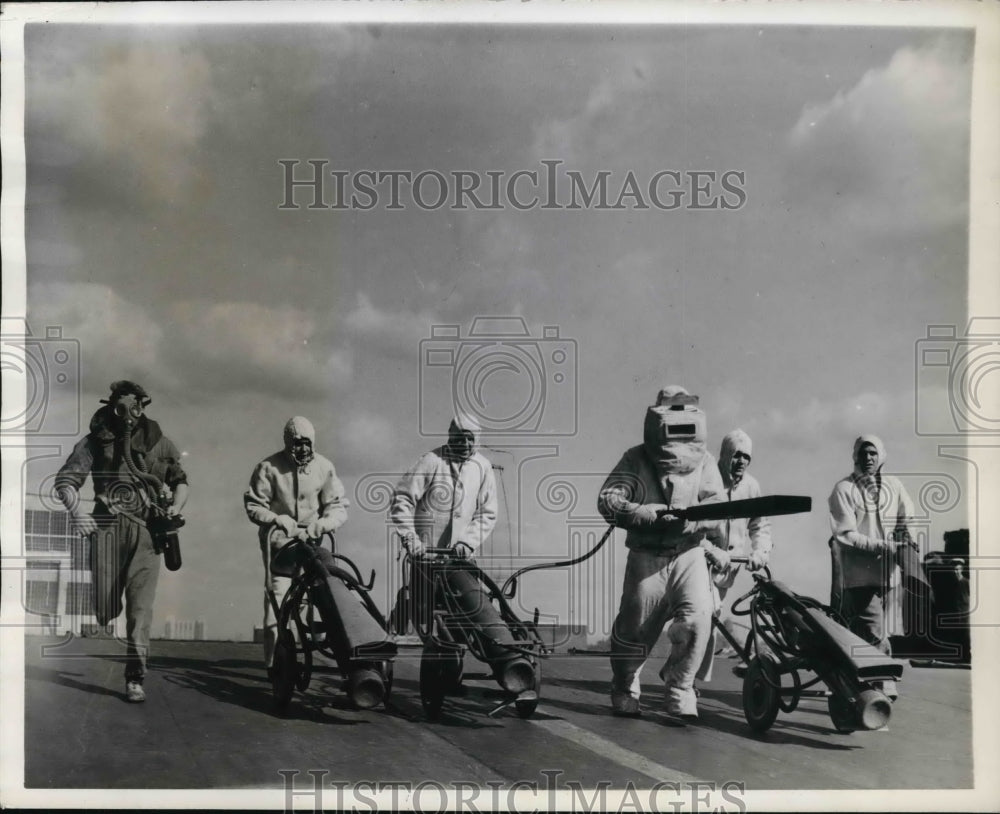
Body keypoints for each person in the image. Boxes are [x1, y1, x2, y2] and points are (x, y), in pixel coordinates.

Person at [597, 386, 727, 723]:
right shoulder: (635, 457)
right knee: (634, 626)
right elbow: (608, 497)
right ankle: (625, 686)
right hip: (646, 554)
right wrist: (641, 513)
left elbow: (718, 506)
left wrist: (693, 519)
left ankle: (680, 687)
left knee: (699, 617)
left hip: (689, 552)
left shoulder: (707, 461)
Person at [55, 380, 189, 703]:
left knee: (140, 611)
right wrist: (77, 513)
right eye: (121, 407)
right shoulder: (95, 442)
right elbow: (65, 482)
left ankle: (134, 678)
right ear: (112, 407)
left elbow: (181, 481)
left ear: (143, 407)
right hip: (107, 529)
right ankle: (106, 610)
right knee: (105, 607)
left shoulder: (160, 443)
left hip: (146, 532)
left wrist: (175, 507)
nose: (129, 414)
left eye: (135, 406)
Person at [244, 416, 349, 671]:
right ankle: (274, 665)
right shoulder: (268, 468)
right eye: (296, 443)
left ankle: (337, 652)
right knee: (278, 604)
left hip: (312, 545)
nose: (302, 449)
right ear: (288, 443)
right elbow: (254, 505)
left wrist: (321, 525)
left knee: (327, 593)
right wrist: (276, 519)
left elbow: (338, 506)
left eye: (306, 443)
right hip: (281, 548)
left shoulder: (325, 467)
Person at [828, 434, 914, 698]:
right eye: (863, 453)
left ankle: (850, 688)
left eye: (873, 453)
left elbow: (907, 516)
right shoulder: (843, 489)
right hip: (858, 576)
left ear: (881, 456)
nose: (868, 458)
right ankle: (883, 685)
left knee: (868, 634)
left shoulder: (895, 485)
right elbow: (845, 534)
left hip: (889, 576)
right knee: (875, 632)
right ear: (855, 456)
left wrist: (906, 535)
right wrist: (882, 546)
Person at [696, 429, 772, 682]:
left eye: (746, 457)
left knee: (713, 617)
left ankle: (689, 679)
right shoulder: (707, 479)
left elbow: (760, 525)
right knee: (704, 613)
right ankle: (685, 681)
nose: (741, 461)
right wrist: (709, 549)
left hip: (729, 567)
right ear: (726, 453)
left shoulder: (752, 486)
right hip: (699, 560)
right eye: (737, 455)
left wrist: (760, 552)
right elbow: (691, 526)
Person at [389, 414, 497, 561]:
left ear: (477, 438)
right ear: (451, 437)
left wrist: (468, 543)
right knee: (423, 584)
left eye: (470, 439)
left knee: (471, 585)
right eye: (459, 438)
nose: (465, 444)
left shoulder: (483, 467)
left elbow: (488, 513)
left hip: (462, 559)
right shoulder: (432, 461)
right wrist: (411, 538)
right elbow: (401, 498)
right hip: (426, 556)